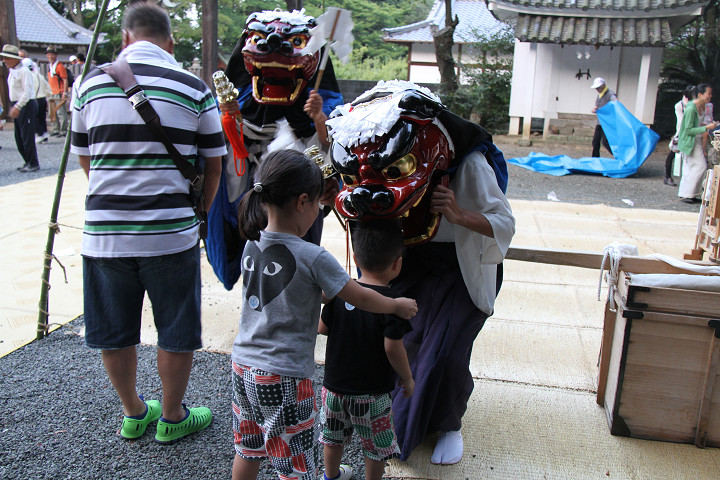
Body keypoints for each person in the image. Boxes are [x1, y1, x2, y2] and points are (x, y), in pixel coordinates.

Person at [70, 3, 226, 443]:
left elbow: (87, 158)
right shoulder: (193, 87)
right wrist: (196, 214)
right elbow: (214, 165)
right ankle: (173, 417)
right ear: (170, 43)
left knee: (113, 329)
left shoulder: (88, 83)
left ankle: (134, 412)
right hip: (170, 234)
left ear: (125, 38)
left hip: (105, 235)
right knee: (176, 328)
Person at [230, 150, 418, 480]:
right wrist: (395, 305)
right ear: (302, 202)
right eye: (318, 203)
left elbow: (285, 293)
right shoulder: (313, 256)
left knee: (249, 448)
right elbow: (360, 296)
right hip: (283, 376)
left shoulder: (252, 244)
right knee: (296, 465)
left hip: (242, 366)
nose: (319, 210)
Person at [318, 219, 415, 480]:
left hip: (334, 388)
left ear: (355, 259)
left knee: (333, 438)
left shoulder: (342, 293)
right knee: (375, 447)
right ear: (397, 264)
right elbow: (393, 348)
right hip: (372, 394)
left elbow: (322, 328)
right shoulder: (394, 304)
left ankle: (331, 475)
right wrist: (407, 378)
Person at [677, 83, 719, 203]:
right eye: (708, 94)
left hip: (697, 139)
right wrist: (706, 128)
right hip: (690, 140)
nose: (710, 96)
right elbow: (688, 130)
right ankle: (687, 194)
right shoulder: (691, 109)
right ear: (700, 94)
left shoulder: (703, 106)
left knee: (692, 166)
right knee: (700, 166)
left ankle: (691, 194)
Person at [1, 44, 40, 172]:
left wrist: (17, 106)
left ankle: (33, 162)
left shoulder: (24, 71)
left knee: (27, 136)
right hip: (17, 104)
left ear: (14, 59)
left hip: (26, 104)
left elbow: (27, 92)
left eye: (7, 58)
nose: (4, 61)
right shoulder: (13, 71)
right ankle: (27, 160)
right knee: (19, 136)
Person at [663, 85, 695, 186]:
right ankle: (667, 176)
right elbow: (681, 121)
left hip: (690, 133)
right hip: (681, 133)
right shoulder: (680, 105)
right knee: (673, 152)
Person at [18, 51, 51, 144]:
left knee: (33, 118)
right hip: (43, 99)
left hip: (34, 99)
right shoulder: (39, 76)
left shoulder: (27, 77)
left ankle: (41, 134)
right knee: (42, 118)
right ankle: (44, 137)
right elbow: (48, 88)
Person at [590, 77, 618, 158]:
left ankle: (619, 156)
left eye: (598, 88)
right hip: (600, 122)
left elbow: (616, 104)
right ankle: (595, 159)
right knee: (595, 142)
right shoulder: (599, 95)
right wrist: (595, 109)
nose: (597, 89)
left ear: (603, 86)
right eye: (596, 88)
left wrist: (605, 109)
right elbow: (597, 106)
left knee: (605, 142)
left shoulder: (610, 94)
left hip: (608, 123)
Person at [46, 46, 69, 136]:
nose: (50, 56)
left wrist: (65, 92)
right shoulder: (50, 67)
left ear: (55, 55)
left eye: (51, 54)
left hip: (59, 92)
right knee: (52, 112)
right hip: (52, 92)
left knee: (60, 112)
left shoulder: (60, 67)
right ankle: (55, 129)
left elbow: (65, 80)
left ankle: (63, 130)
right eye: (48, 54)